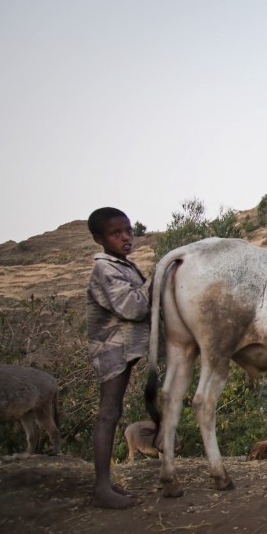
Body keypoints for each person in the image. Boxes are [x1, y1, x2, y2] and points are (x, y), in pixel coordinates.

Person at [86, 207, 150, 508]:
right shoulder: (105, 269)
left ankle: (107, 482)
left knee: (115, 411)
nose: (125, 238)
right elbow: (134, 307)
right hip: (112, 349)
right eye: (116, 233)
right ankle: (101, 487)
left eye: (128, 231)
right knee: (108, 412)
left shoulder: (124, 264)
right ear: (99, 238)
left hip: (128, 347)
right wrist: (158, 279)